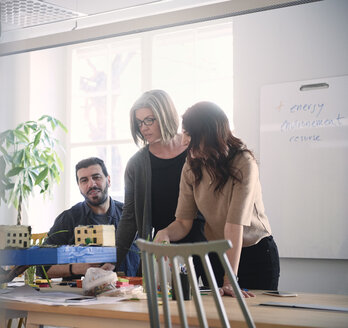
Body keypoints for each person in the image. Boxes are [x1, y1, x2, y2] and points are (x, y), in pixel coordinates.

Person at [153, 101, 280, 298]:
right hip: (216, 252)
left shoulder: (244, 162)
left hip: (254, 252)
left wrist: (229, 281)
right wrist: (165, 233)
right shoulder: (191, 164)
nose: (184, 141)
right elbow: (183, 222)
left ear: (209, 134)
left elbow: (234, 226)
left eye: (189, 134)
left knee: (254, 318)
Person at [116, 89, 206, 275]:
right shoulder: (136, 164)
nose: (144, 127)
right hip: (162, 251)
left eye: (150, 120)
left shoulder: (196, 151)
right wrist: (112, 260)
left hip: (203, 247)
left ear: (165, 115)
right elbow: (129, 217)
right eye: (139, 122)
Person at [40, 157, 139, 279]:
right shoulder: (68, 219)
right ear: (79, 186)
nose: (91, 184)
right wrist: (76, 268)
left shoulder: (132, 216)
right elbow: (42, 267)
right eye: (84, 180)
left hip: (129, 293)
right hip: (81, 294)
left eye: (96, 177)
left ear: (108, 180)